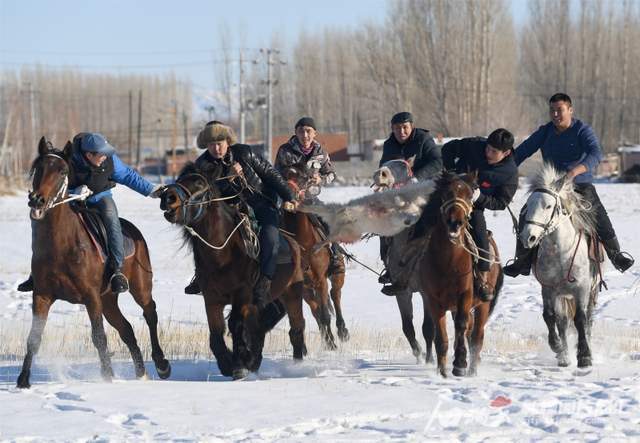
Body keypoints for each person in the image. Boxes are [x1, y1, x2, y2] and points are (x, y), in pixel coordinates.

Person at [503, 92, 634, 277]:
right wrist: (504, 168)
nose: (555, 115)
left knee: (597, 213)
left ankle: (616, 255)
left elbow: (595, 153)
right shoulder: (545, 131)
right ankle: (522, 261)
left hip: (579, 185)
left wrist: (573, 173)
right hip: (551, 187)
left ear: (570, 110)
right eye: (552, 111)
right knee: (528, 213)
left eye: (560, 110)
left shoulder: (582, 130)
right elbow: (523, 151)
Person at [18, 132, 164, 294]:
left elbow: (128, 176)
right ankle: (36, 272)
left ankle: (117, 271)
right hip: (72, 200)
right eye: (102, 154)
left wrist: (151, 190)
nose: (105, 157)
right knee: (40, 221)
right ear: (88, 155)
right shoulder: (69, 160)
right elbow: (54, 183)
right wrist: (74, 191)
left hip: (101, 197)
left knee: (111, 217)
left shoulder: (110, 160)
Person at [186, 122, 298, 309]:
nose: (216, 148)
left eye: (220, 142)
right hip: (227, 210)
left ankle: (265, 279)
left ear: (228, 142)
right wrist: (228, 178)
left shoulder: (245, 153)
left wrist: (289, 196)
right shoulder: (202, 165)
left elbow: (271, 175)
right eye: (212, 144)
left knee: (270, 234)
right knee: (199, 235)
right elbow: (208, 196)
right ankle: (201, 274)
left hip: (260, 203)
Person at [441, 129, 518, 301]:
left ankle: (483, 280)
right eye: (487, 148)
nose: (488, 153)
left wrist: (481, 198)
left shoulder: (510, 173)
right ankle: (403, 268)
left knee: (481, 238)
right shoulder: (474, 145)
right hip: (447, 197)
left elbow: (501, 203)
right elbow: (447, 149)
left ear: (506, 153)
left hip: (473, 207)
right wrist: (452, 172)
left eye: (494, 151)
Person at [377, 111, 442, 291]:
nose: (401, 131)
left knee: (438, 219)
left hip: (426, 187)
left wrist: (418, 178)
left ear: (411, 126)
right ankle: (390, 266)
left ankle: (440, 262)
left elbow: (438, 162)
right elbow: (384, 166)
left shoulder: (423, 139)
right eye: (397, 128)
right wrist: (382, 177)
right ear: (392, 129)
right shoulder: (389, 144)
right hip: (400, 192)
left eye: (405, 127)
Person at [274, 116, 344, 275]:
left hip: (310, 197)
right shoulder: (285, 150)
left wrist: (321, 178)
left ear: (315, 134)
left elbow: (332, 174)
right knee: (274, 220)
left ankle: (335, 257)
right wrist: (287, 186)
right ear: (296, 133)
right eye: (301, 131)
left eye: (308, 131)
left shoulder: (321, 153)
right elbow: (275, 174)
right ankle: (272, 259)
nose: (304, 135)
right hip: (288, 196)